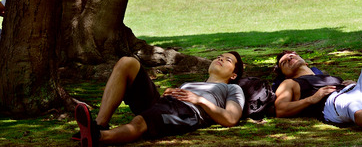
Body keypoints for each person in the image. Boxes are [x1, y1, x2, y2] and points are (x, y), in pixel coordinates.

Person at [75, 51, 245, 146]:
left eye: (227, 60)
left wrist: (199, 100)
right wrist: (171, 92)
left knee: (141, 121)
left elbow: (231, 118)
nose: (220, 59)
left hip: (186, 112)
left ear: (234, 74)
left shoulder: (232, 88)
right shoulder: (192, 83)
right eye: (219, 57)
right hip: (165, 104)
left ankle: (98, 138)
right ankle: (99, 124)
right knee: (127, 62)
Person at [274, 38, 362, 136]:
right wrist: (312, 99)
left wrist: (354, 85)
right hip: (332, 103)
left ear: (304, 61)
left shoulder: (323, 75)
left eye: (292, 56)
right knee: (351, 104)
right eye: (284, 62)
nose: (289, 59)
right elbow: (280, 109)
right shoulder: (289, 83)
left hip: (354, 92)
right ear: (285, 75)